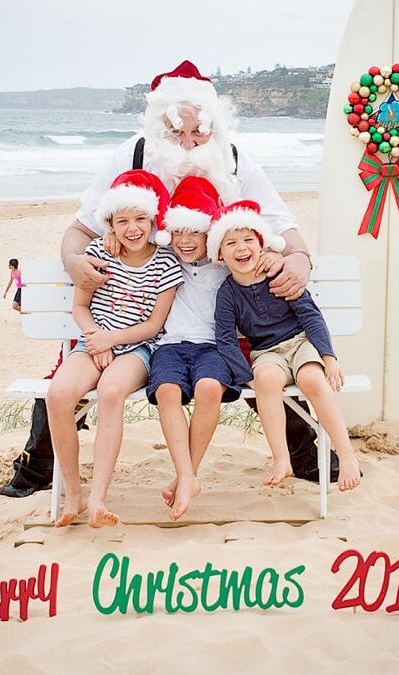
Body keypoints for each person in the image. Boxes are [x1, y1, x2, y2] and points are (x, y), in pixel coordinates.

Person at [0, 59, 331, 499]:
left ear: (215, 127)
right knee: (68, 373)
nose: (189, 144)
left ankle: (304, 456)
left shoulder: (233, 159)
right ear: (159, 128)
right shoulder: (131, 156)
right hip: (137, 305)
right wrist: (75, 262)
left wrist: (301, 259)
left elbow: (282, 223)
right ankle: (38, 468)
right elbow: (79, 230)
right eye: (177, 133)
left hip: (218, 304)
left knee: (262, 354)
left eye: (199, 133)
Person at [45, 170, 183, 527]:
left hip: (139, 348)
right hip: (93, 342)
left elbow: (154, 325)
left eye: (140, 219)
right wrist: (95, 337)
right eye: (122, 221)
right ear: (110, 223)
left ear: (152, 219)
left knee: (109, 392)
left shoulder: (166, 262)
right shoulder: (97, 253)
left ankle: (98, 499)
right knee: (58, 395)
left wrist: (111, 340)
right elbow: (80, 307)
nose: (132, 228)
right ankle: (73, 495)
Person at [210, 200, 361, 491]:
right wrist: (246, 377)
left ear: (262, 244)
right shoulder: (227, 293)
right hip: (266, 353)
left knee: (312, 379)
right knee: (265, 380)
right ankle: (282, 459)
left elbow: (311, 316)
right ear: (219, 253)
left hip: (300, 343)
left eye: (247, 240)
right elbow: (226, 338)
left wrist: (329, 358)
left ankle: (346, 455)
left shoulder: (279, 274)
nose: (241, 248)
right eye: (231, 243)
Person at [141, 176, 240, 521]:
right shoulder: (164, 257)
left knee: (209, 387)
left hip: (213, 348)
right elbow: (134, 240)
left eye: (194, 232)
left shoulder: (225, 262)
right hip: (168, 346)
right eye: (178, 232)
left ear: (208, 233)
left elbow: (254, 246)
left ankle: (187, 475)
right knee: (168, 391)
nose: (185, 241)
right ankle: (187, 477)